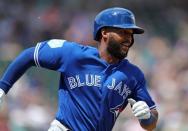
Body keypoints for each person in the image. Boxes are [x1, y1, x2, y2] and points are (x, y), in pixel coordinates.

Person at [0, 7, 158, 131]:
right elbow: (29, 55)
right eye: (123, 32)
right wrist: (3, 86)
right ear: (104, 33)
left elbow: (151, 123)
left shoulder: (133, 74)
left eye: (131, 34)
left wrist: (147, 118)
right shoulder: (73, 54)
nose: (129, 38)